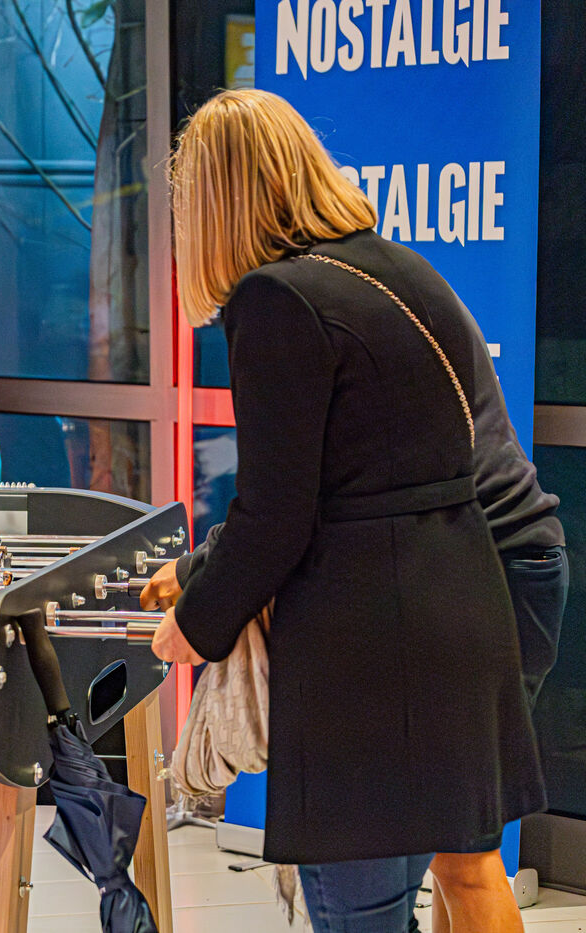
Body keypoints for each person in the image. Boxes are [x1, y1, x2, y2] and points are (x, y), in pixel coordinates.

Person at [150, 88, 545, 933]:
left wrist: (195, 624)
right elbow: (351, 479)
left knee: (360, 912)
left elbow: (276, 513)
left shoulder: (273, 299)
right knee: (460, 870)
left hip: (366, 649)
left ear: (217, 203)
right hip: (460, 607)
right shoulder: (394, 268)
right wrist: (201, 573)